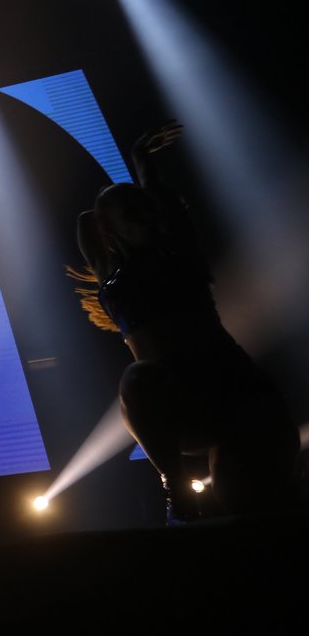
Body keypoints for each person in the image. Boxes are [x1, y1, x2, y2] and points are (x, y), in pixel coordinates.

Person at [69, 120, 301, 523]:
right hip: (178, 398)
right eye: (132, 214)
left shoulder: (182, 256)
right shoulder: (110, 272)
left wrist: (144, 169)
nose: (144, 218)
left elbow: (168, 212)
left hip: (239, 393)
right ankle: (174, 485)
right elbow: (86, 222)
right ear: (110, 227)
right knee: (137, 379)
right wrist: (121, 196)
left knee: (250, 508)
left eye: (146, 210)